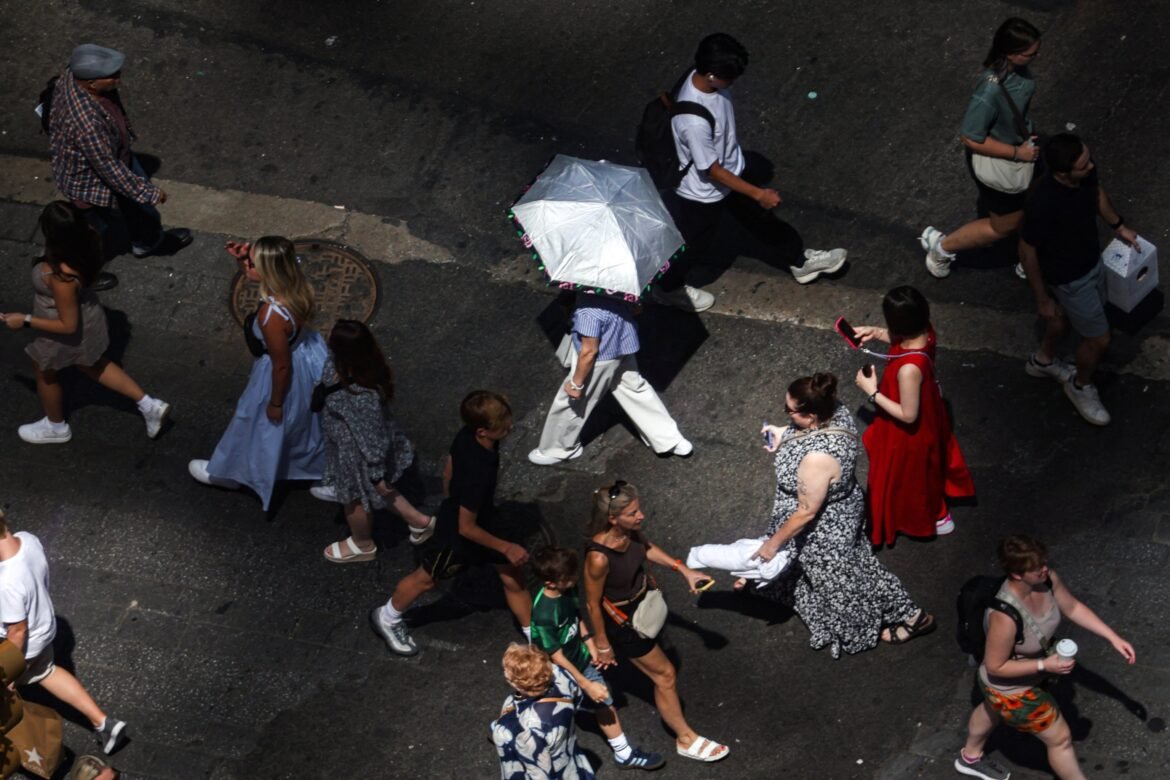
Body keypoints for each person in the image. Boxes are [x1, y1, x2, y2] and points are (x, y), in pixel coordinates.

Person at [656, 32, 847, 312]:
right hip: (703, 192)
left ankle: (800, 260)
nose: (732, 84)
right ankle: (668, 287)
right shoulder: (692, 122)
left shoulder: (707, 83)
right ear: (710, 75)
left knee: (762, 222)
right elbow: (711, 170)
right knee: (694, 243)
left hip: (732, 172)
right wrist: (758, 193)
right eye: (729, 78)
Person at [755, 374, 935, 657]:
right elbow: (808, 433)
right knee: (854, 565)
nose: (786, 414)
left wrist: (772, 544)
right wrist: (784, 431)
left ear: (811, 415)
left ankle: (912, 616)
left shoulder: (817, 459)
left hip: (825, 526)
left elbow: (806, 512)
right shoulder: (835, 410)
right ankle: (906, 613)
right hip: (843, 506)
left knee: (847, 574)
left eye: (789, 411)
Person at [954, 535, 1136, 780]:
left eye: (1044, 562)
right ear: (1017, 574)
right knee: (1060, 739)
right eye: (1036, 567)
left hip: (1022, 678)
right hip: (1010, 689)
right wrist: (1044, 664)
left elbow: (1072, 608)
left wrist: (1113, 637)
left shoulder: (1047, 580)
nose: (1044, 569)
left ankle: (970, 757)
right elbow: (995, 666)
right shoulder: (1004, 617)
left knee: (990, 709)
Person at [370, 391, 531, 656]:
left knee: (512, 575)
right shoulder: (478, 471)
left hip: (477, 517)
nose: (509, 427)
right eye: (502, 426)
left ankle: (534, 636)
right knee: (427, 579)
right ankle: (386, 618)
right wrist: (506, 547)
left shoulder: (467, 436)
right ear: (483, 431)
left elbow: (449, 470)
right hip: (459, 534)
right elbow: (466, 528)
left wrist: (450, 502)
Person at [582, 481, 729, 764]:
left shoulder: (630, 532)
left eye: (639, 509)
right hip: (625, 624)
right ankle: (685, 738)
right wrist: (602, 644)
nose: (641, 516)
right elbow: (592, 603)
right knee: (665, 676)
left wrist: (684, 570)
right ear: (613, 518)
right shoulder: (598, 558)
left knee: (663, 672)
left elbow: (646, 549)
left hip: (643, 607)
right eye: (633, 513)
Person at [2, 201, 170, 444]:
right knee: (92, 364)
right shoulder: (89, 240)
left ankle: (56, 426)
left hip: (61, 330)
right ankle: (148, 405)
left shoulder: (61, 275)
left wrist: (25, 320)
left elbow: (68, 325)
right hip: (88, 316)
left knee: (45, 371)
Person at [188, 237, 327, 509]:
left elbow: (281, 365)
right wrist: (242, 261)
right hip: (308, 359)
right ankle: (316, 468)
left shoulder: (271, 316)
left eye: (253, 263)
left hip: (281, 373)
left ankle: (232, 472)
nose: (246, 267)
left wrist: (275, 402)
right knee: (307, 422)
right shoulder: (296, 284)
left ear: (268, 270)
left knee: (255, 422)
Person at [1018, 133, 1139, 426]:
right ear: (1062, 173)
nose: (1091, 166)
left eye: (1089, 158)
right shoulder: (1043, 202)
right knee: (1098, 338)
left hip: (1092, 263)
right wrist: (1042, 298)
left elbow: (1096, 193)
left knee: (1062, 320)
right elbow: (1026, 248)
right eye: (1084, 165)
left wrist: (1118, 225)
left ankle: (1044, 360)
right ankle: (1080, 385)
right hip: (1070, 279)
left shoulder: (1084, 176)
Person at [48, 44, 192, 289]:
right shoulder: (86, 124)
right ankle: (83, 274)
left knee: (137, 210)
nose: (118, 80)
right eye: (112, 76)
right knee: (92, 233)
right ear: (92, 83)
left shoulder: (74, 77)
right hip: (89, 184)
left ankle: (147, 241)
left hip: (117, 157)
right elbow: (107, 167)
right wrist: (149, 193)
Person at [919, 18, 1042, 279]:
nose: (1035, 57)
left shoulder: (1017, 73)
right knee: (1004, 226)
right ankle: (942, 248)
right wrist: (1017, 153)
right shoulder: (989, 91)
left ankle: (1028, 257)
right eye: (1030, 54)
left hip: (1022, 147)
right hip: (1006, 159)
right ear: (1011, 53)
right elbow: (970, 137)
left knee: (1033, 205)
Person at [0, 510, 128, 756]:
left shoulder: (6, 582)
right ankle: (104, 722)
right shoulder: (29, 540)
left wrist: (11, 670)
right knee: (46, 672)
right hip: (44, 628)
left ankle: (33, 749)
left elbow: (17, 631)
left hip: (21, 646)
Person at [853, 286, 975, 543]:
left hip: (908, 433)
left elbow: (908, 415)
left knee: (908, 479)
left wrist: (871, 392)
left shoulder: (909, 369)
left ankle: (935, 516)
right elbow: (901, 340)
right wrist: (874, 332)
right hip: (931, 413)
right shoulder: (926, 333)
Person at [310, 319, 436, 561]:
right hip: (353, 448)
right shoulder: (360, 368)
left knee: (354, 499)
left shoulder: (361, 393)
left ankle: (362, 543)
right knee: (380, 491)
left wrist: (377, 471)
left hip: (356, 453)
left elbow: (372, 436)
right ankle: (420, 523)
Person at [529, 547, 664, 771]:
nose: (574, 580)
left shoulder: (566, 589)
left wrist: (591, 645)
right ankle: (511, 727)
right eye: (568, 577)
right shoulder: (544, 614)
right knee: (544, 708)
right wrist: (585, 683)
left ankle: (624, 754)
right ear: (550, 583)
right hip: (556, 671)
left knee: (604, 701)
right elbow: (556, 656)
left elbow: (576, 616)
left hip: (579, 660)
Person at [528, 293, 691, 465]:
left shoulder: (587, 311)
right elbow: (636, 309)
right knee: (635, 389)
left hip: (601, 360)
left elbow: (589, 352)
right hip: (624, 346)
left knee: (571, 401)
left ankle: (558, 448)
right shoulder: (621, 290)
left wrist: (576, 384)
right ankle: (669, 440)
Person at [491, 643, 595, 779]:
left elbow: (539, 773)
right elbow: (577, 699)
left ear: (516, 683)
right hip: (569, 759)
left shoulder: (524, 727)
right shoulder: (561, 675)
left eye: (506, 671)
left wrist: (502, 731)